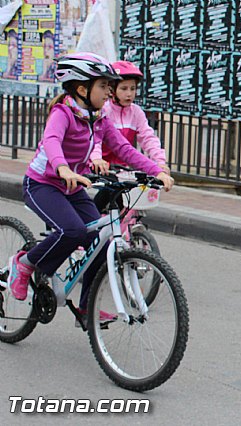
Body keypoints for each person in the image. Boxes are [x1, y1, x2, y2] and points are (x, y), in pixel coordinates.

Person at [5, 52, 174, 325]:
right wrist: (62, 168)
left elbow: (123, 148)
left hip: (73, 187)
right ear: (83, 89)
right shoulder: (63, 113)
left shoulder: (99, 118)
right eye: (104, 86)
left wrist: (157, 170)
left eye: (110, 86)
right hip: (42, 184)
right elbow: (51, 140)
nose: (110, 92)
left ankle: (86, 308)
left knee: (102, 243)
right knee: (72, 231)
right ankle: (24, 264)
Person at [90, 60, 169, 212]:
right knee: (109, 196)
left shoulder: (136, 112)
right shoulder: (104, 110)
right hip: (101, 167)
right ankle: (91, 220)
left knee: (126, 203)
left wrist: (159, 162)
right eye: (124, 88)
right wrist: (96, 159)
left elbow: (148, 138)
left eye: (133, 89)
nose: (129, 94)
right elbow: (96, 139)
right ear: (112, 90)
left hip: (122, 168)